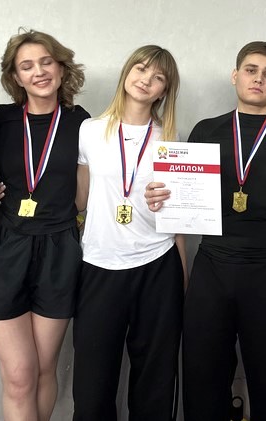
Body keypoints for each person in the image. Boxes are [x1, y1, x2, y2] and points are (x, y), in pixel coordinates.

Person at [147, 41, 266, 421]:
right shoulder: (205, 130)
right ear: (235, 75)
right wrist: (162, 200)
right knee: (201, 378)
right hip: (211, 270)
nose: (259, 79)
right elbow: (183, 207)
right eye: (251, 70)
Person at [0, 30, 89, 420]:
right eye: (27, 66)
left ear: (61, 68)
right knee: (19, 376)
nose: (39, 72)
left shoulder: (81, 123)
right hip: (6, 248)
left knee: (42, 369)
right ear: (15, 77)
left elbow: (90, 189)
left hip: (59, 248)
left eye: (46, 62)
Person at [71, 45, 185, 420]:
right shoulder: (89, 131)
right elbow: (79, 200)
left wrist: (181, 276)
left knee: (155, 380)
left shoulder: (171, 139)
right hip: (99, 263)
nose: (146, 80)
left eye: (158, 77)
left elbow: (179, 220)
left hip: (158, 264)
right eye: (140, 69)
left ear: (164, 91)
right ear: (126, 73)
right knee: (92, 382)